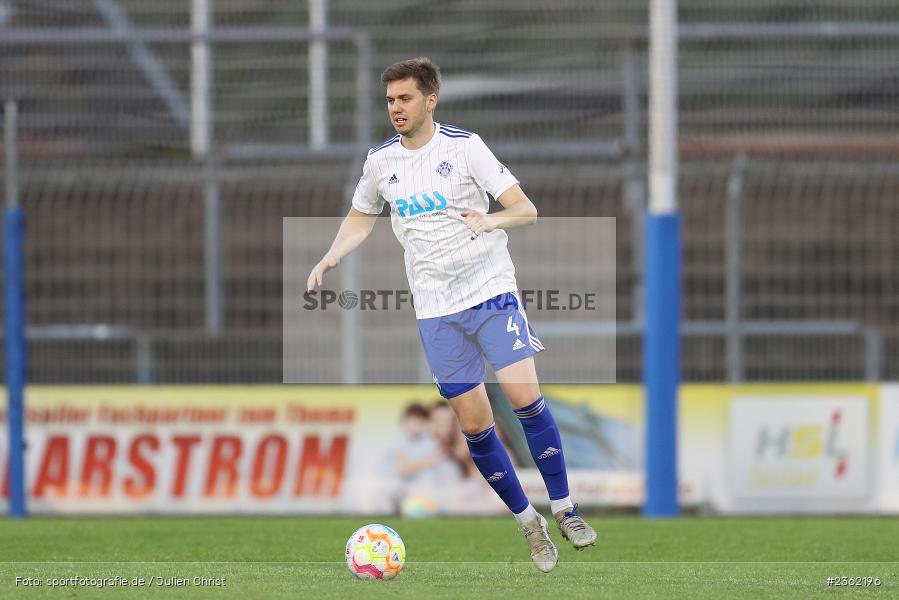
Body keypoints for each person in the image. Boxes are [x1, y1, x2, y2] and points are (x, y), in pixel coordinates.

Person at [307, 57, 596, 572]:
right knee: (475, 425)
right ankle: (530, 522)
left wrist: (492, 220)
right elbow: (359, 217)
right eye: (391, 100)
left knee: (524, 397)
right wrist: (333, 254)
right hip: (436, 310)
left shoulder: (465, 148)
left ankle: (566, 507)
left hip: (490, 291)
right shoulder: (381, 162)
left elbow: (526, 210)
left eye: (406, 98)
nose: (396, 108)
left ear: (430, 99)